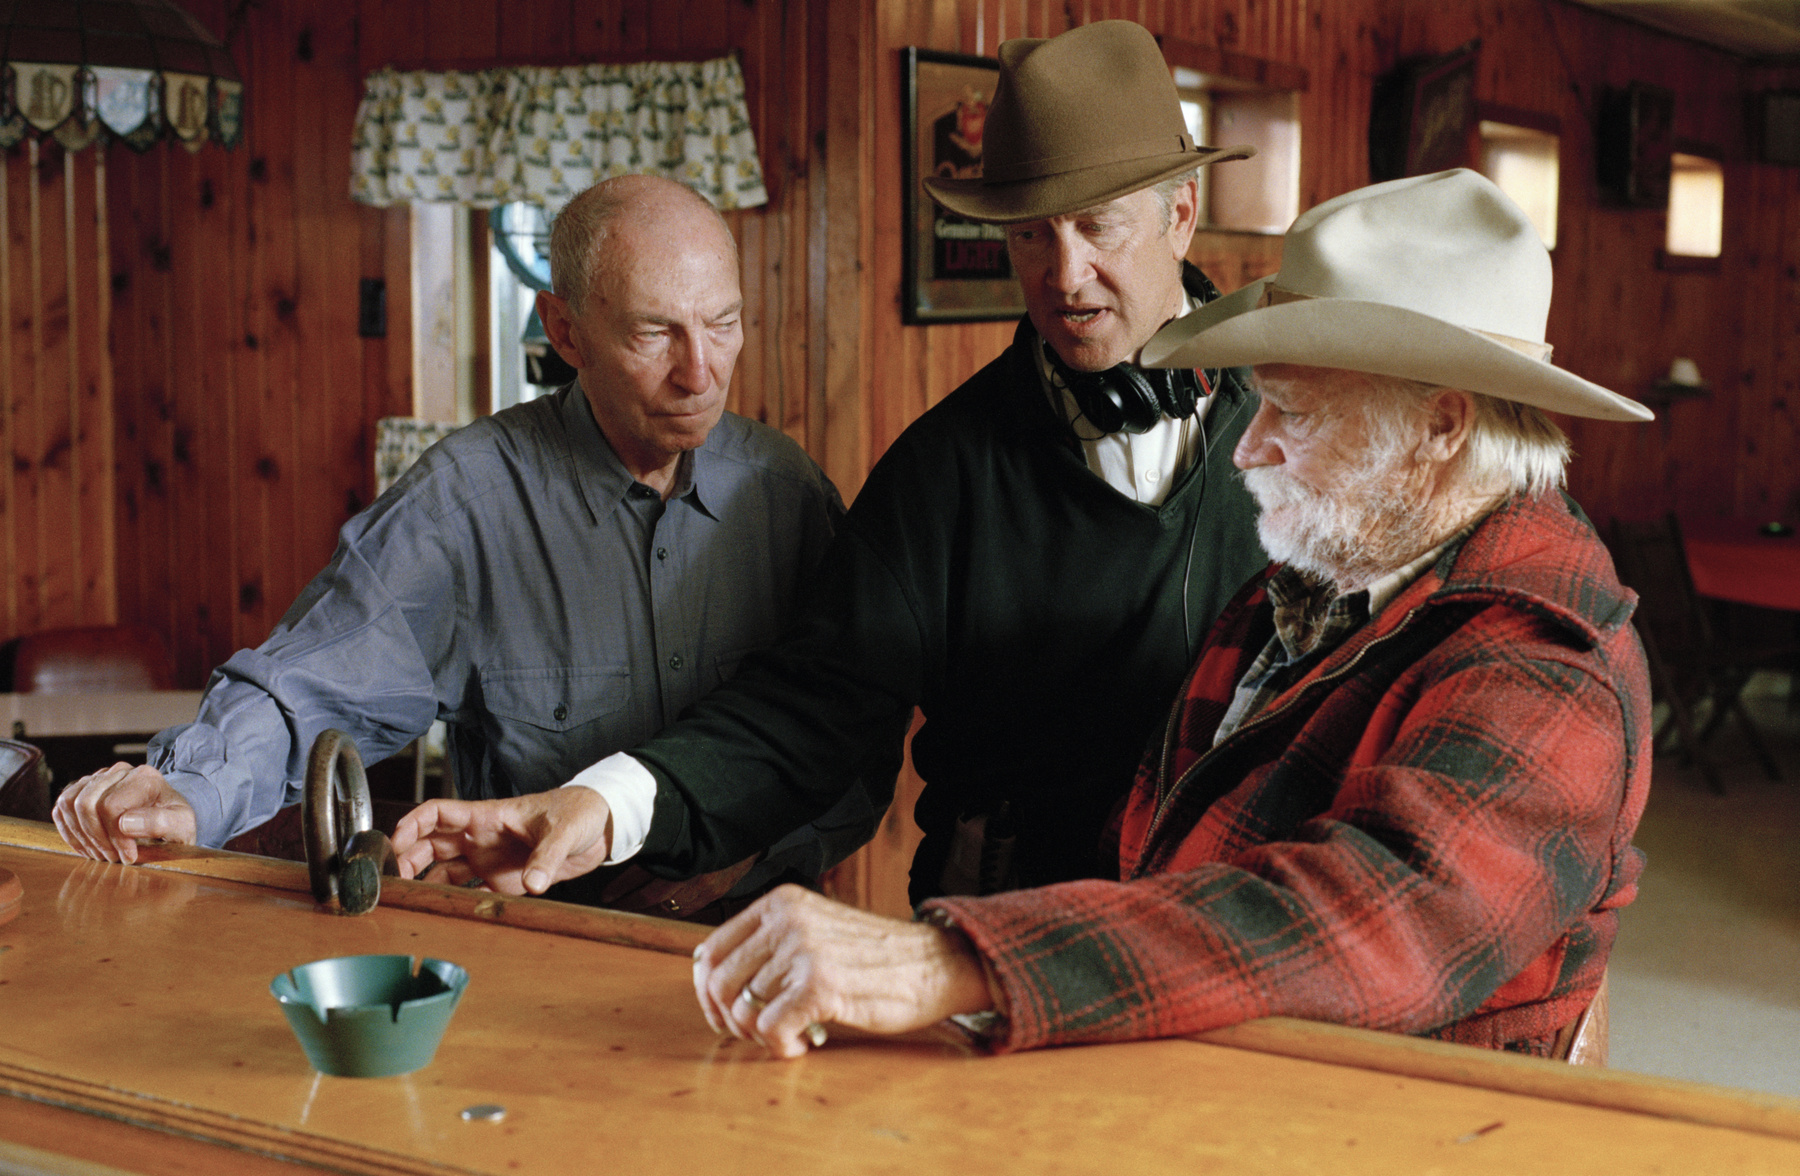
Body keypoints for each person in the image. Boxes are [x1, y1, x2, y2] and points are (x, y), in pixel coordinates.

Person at [686, 169, 1657, 1059]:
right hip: (1223, 1073)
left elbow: (1364, 920)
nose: (1247, 450)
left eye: (1296, 414)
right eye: (1259, 405)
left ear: (1442, 426)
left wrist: (955, 963)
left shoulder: (1550, 662)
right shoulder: (1316, 575)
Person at [389, 21, 1270, 908]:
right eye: (1032, 235)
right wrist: (602, 805)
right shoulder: (941, 473)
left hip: (1238, 928)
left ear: (1181, 214)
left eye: (1097, 227)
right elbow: (805, 710)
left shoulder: (1300, 432)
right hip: (997, 937)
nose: (1065, 272)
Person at [51, 174, 892, 915]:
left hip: (763, 941)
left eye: (724, 323)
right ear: (565, 332)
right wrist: (189, 791)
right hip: (544, 950)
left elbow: (857, 730)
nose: (701, 371)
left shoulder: (785, 494)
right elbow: (309, 689)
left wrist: (738, 854)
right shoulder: (467, 503)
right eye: (653, 334)